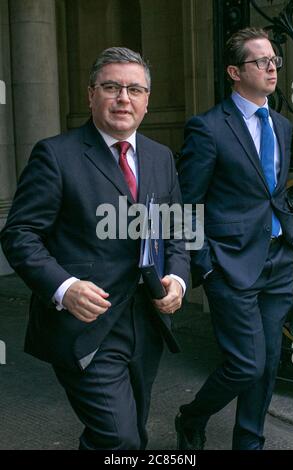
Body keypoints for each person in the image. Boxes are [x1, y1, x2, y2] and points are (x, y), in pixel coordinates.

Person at [0, 47, 190, 450]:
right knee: (117, 438)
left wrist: (178, 279)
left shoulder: (160, 158)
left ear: (147, 100)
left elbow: (176, 230)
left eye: (134, 89)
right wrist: (64, 287)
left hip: (147, 322)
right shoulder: (55, 155)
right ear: (91, 95)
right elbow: (20, 234)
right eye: (112, 87)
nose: (124, 97)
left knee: (133, 431)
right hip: (86, 326)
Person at [176, 27, 293, 450]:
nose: (271, 68)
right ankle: (191, 416)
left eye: (274, 61)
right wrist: (205, 264)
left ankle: (249, 443)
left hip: (278, 261)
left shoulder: (281, 125)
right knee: (246, 365)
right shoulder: (208, 128)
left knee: (266, 367)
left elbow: (274, 193)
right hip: (230, 266)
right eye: (260, 61)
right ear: (234, 71)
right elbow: (187, 205)